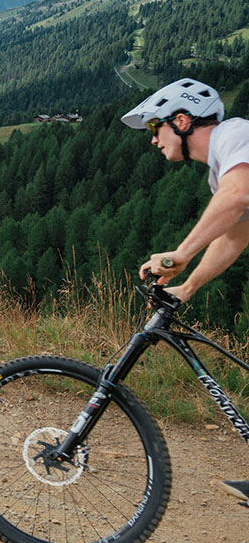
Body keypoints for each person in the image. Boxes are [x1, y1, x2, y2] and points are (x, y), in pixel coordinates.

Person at [122, 77, 249, 508]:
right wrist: (188, 285)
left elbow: (237, 199)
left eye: (154, 129)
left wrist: (179, 253)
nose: (152, 141)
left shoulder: (235, 135)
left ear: (180, 121)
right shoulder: (223, 168)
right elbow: (235, 236)